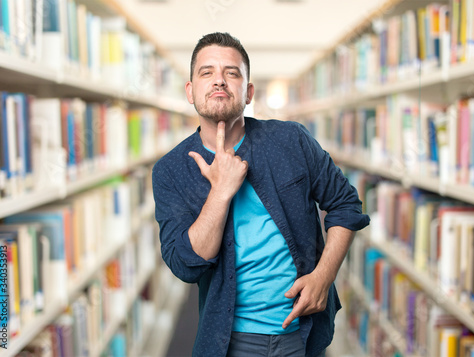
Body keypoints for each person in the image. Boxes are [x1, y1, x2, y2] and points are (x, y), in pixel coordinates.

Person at [152, 32, 370, 357]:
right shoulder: (170, 170)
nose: (220, 81)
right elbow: (186, 265)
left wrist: (324, 277)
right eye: (206, 72)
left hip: (302, 330)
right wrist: (221, 193)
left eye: (232, 72)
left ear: (249, 91)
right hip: (229, 340)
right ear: (190, 90)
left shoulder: (291, 140)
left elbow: (346, 205)